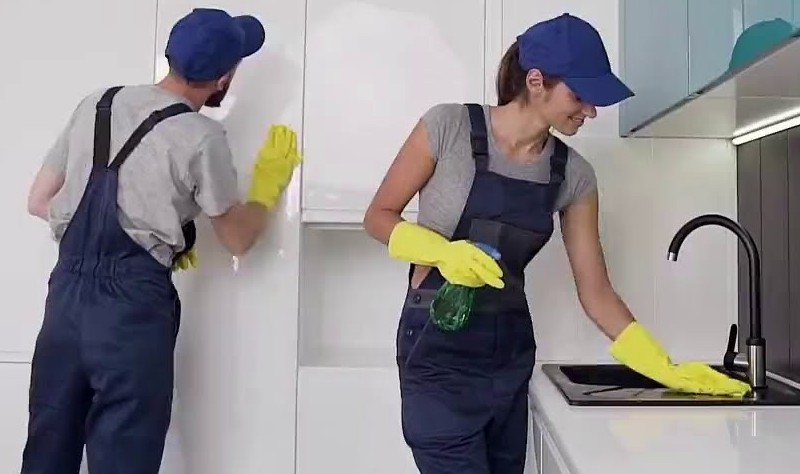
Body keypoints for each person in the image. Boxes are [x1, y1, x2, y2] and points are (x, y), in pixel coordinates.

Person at [363, 13, 751, 474]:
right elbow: (378, 217)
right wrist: (442, 252)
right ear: (536, 81)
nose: (589, 110)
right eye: (580, 96)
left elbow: (597, 293)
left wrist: (663, 367)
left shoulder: (574, 175)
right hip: (436, 356)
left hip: (507, 358)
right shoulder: (447, 128)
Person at [22, 7, 301, 474]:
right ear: (223, 77)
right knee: (124, 456)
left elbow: (39, 200)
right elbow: (236, 239)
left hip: (65, 303)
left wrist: (115, 234)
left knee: (48, 450)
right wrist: (265, 192)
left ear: (170, 54)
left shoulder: (98, 102)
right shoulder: (200, 135)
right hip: (132, 310)